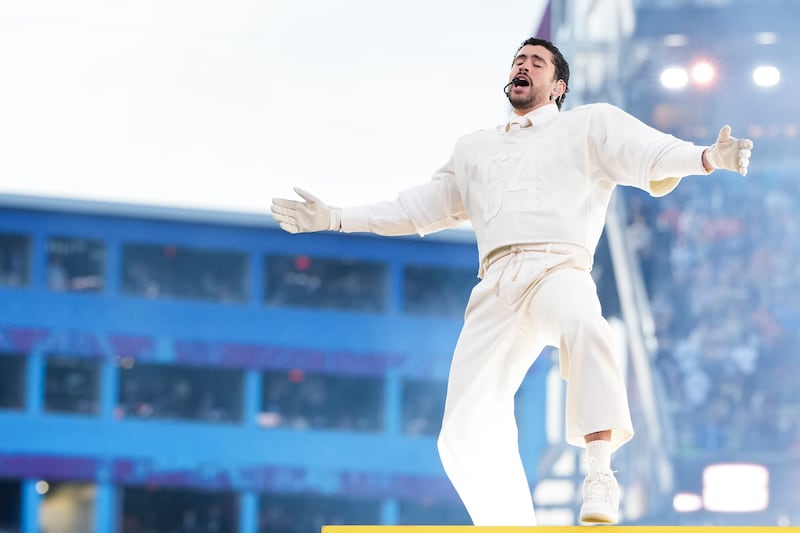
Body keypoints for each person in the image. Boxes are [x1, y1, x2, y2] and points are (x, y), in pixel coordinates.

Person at [270, 37, 753, 526]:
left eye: (537, 62)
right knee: (460, 432)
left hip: (558, 268)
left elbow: (650, 152)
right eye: (519, 60)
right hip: (496, 284)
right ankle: (510, 525)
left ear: (558, 86)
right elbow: (414, 208)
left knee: (586, 327)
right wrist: (335, 217)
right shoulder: (475, 149)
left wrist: (708, 157)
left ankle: (600, 474)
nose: (524, 65)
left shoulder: (588, 125)